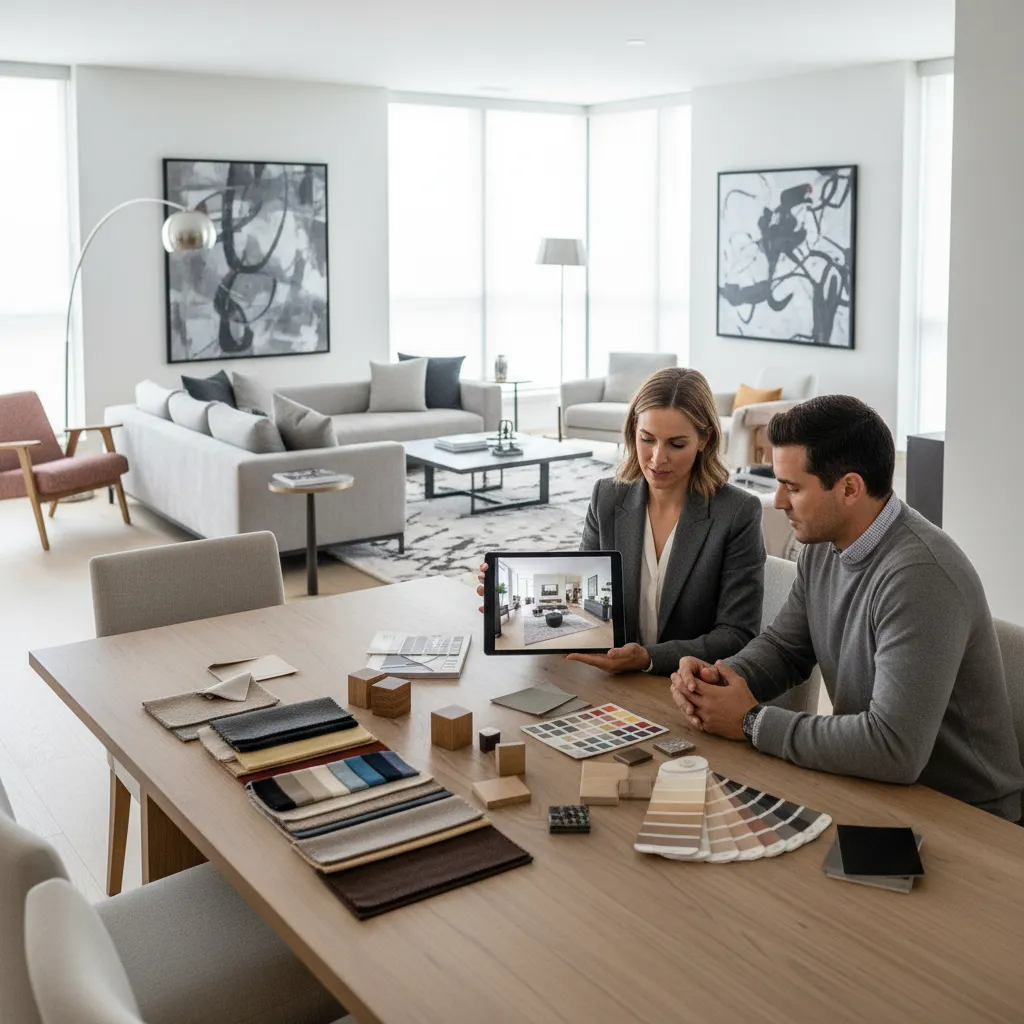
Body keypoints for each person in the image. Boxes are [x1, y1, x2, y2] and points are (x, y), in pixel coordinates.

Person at [671, 395, 1024, 820]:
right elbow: (785, 648)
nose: (779, 502)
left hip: (965, 818)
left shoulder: (920, 578)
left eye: (793, 487)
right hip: (869, 785)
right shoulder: (824, 545)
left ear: (850, 488)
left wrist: (750, 722)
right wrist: (718, 680)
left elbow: (894, 748)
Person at [478, 367, 766, 675]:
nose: (657, 458)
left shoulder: (737, 512)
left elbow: (737, 634)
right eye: (647, 439)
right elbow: (580, 591)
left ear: (704, 439)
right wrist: (514, 603)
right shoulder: (607, 497)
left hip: (688, 685)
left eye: (677, 444)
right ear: (633, 431)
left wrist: (648, 657)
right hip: (612, 681)